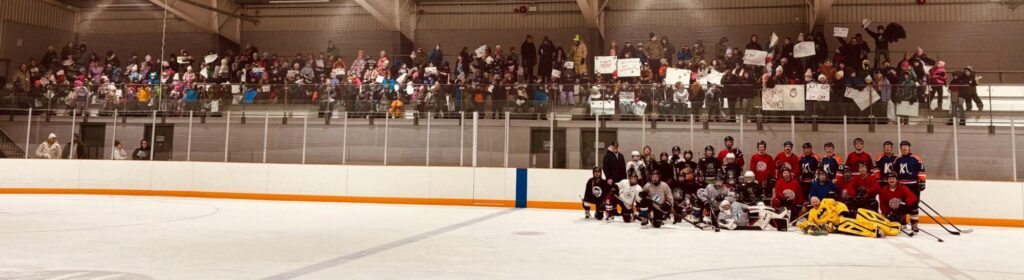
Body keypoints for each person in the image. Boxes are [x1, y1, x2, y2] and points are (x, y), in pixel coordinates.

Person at [893, 141, 926, 231]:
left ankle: (914, 224)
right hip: (902, 186)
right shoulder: (898, 159)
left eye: (906, 146)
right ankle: (902, 222)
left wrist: (922, 182)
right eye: (902, 147)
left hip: (913, 185)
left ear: (909, 148)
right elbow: (894, 173)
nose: (904, 148)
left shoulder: (916, 158)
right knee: (901, 204)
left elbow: (921, 170)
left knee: (914, 204)